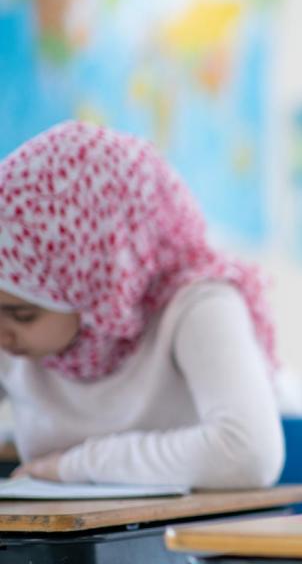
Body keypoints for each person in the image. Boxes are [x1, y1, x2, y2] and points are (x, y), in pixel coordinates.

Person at [0, 121, 284, 488]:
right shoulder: (14, 330)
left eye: (24, 315)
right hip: (70, 539)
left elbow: (249, 454)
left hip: (187, 538)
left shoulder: (197, 303)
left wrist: (76, 465)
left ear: (97, 278)